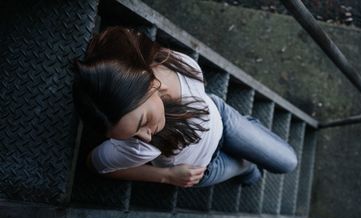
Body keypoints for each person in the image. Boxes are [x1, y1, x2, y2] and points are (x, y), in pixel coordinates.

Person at [72, 26, 297, 189]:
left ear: (149, 83)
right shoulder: (137, 145)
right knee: (251, 174)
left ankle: (246, 133)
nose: (147, 138)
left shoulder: (173, 64)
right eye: (132, 135)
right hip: (206, 167)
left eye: (142, 123)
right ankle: (246, 166)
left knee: (288, 162)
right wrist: (167, 176)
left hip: (220, 118)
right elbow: (96, 164)